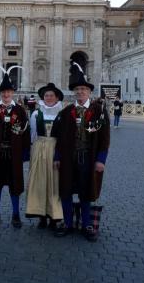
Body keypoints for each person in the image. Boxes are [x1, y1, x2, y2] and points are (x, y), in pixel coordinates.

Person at [54, 62, 110, 242]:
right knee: (66, 191)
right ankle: (68, 223)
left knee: (86, 192)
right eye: (77, 89)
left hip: (88, 157)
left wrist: (101, 160)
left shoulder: (99, 112)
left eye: (83, 89)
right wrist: (57, 157)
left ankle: (87, 224)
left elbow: (104, 139)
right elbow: (59, 138)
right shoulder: (66, 112)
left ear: (89, 92)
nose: (80, 92)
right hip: (69, 158)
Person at [0, 67, 30, 228]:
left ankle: (16, 214)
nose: (6, 94)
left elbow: (26, 133)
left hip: (14, 153)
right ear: (0, 94)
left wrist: (25, 153)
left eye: (8, 92)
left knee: (14, 185)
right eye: (3, 92)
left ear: (13, 93)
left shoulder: (20, 111)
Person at [25, 83, 64, 230]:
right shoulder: (36, 114)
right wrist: (32, 150)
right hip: (39, 149)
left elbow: (63, 137)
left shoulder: (62, 114)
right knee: (39, 181)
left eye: (51, 96)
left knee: (54, 183)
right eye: (46, 95)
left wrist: (59, 155)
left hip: (55, 149)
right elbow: (33, 134)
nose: (48, 98)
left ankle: (53, 216)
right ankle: (41, 215)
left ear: (56, 98)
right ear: (43, 97)